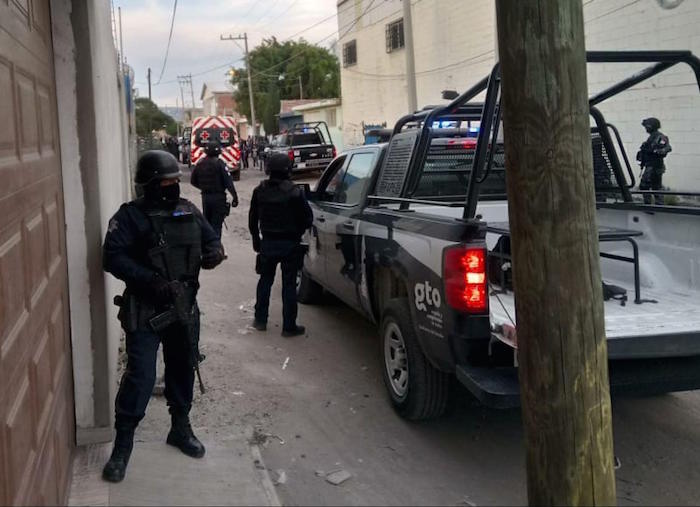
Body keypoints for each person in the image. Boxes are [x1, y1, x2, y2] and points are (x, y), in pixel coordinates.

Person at [101, 150, 225, 483]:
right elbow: (112, 257)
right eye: (165, 183)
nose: (172, 188)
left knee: (183, 368)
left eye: (175, 182)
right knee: (141, 376)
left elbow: (211, 241)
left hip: (184, 306)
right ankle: (123, 444)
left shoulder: (188, 210)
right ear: (149, 185)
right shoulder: (130, 217)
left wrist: (214, 253)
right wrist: (150, 280)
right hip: (146, 308)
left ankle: (180, 428)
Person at [249, 152, 313, 337]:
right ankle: (289, 326)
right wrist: (297, 234)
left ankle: (260, 320)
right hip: (290, 244)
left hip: (268, 242)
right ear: (288, 169)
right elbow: (307, 218)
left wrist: (256, 240)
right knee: (289, 285)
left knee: (265, 281)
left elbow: (252, 219)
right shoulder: (295, 192)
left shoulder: (259, 190)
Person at [190, 141, 239, 239]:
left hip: (205, 197)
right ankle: (215, 246)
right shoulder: (220, 164)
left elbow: (193, 181)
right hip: (218, 198)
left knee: (207, 224)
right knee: (216, 225)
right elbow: (228, 182)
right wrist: (235, 197)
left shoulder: (200, 163)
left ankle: (208, 246)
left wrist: (204, 187)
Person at [636, 117, 671, 205]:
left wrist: (654, 151)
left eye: (647, 127)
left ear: (651, 126)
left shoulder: (660, 137)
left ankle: (657, 205)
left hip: (655, 165)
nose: (646, 129)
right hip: (649, 165)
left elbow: (667, 148)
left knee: (653, 186)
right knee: (648, 186)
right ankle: (650, 204)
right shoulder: (651, 137)